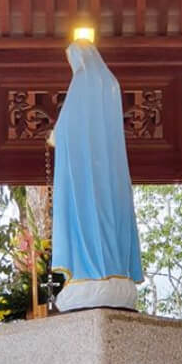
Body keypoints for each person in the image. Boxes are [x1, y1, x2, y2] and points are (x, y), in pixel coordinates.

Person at [49, 42, 145, 311]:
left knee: (87, 219)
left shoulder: (83, 81)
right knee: (110, 219)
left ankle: (88, 273)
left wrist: (56, 134)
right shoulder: (109, 86)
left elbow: (67, 127)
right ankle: (112, 271)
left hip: (84, 173)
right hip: (110, 175)